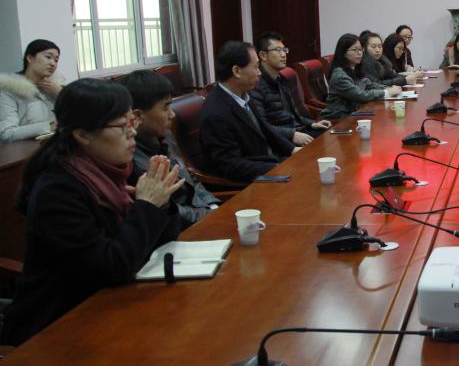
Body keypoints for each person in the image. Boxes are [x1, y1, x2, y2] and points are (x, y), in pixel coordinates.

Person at [0, 79, 183, 346]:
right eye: (122, 126)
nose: (132, 132)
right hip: (60, 325)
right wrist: (147, 206)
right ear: (83, 135)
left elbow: (165, 241)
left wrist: (161, 203)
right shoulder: (58, 191)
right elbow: (110, 267)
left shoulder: (113, 170)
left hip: (116, 302)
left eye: (132, 121)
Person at [122, 70, 220, 227]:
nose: (172, 115)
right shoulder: (128, 160)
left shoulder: (164, 134)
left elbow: (190, 178)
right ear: (138, 116)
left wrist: (213, 206)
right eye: (165, 107)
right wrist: (209, 216)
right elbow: (166, 210)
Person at [200, 41, 297, 182]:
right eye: (256, 67)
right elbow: (231, 165)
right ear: (237, 71)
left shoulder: (242, 93)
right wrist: (277, 168)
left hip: (270, 162)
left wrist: (292, 149)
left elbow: (264, 128)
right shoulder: (216, 113)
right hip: (254, 179)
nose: (259, 73)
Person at [251, 32, 331, 147]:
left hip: (296, 130)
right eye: (278, 50)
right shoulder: (256, 86)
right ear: (263, 55)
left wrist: (312, 124)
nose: (283, 55)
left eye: (284, 50)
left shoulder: (281, 79)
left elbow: (293, 115)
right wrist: (292, 134)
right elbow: (261, 126)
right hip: (281, 141)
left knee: (330, 134)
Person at [321, 34, 402, 120]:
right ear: (343, 53)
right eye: (354, 50)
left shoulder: (354, 69)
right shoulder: (340, 76)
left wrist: (389, 88)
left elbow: (369, 85)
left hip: (354, 113)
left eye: (360, 49)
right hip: (338, 119)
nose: (359, 53)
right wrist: (387, 92)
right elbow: (361, 95)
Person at [0, 39, 63, 143]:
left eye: (56, 60)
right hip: (27, 150)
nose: (53, 63)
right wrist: (50, 126)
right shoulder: (9, 89)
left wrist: (61, 94)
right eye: (48, 57)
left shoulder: (55, 88)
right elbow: (6, 134)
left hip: (57, 146)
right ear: (30, 58)